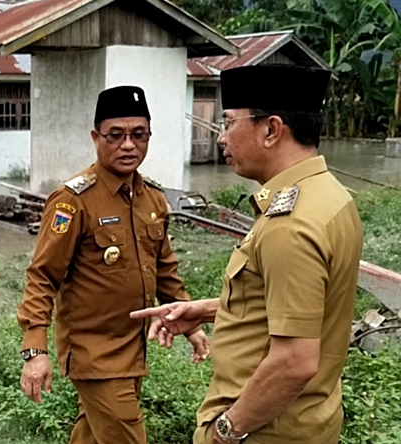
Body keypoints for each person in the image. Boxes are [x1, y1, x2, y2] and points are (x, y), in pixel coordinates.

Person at [131, 65, 363, 444]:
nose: (222, 138)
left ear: (271, 130)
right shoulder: (331, 197)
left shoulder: (292, 223)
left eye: (228, 123)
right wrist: (205, 309)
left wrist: (226, 429)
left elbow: (294, 361)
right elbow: (295, 308)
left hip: (265, 432)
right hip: (309, 422)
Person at [17, 85, 210, 444]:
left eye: (139, 135)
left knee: (90, 437)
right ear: (96, 136)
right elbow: (43, 277)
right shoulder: (73, 202)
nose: (128, 145)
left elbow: (165, 269)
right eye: (116, 135)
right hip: (96, 355)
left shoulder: (152, 198)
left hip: (133, 350)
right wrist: (35, 351)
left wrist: (190, 323)